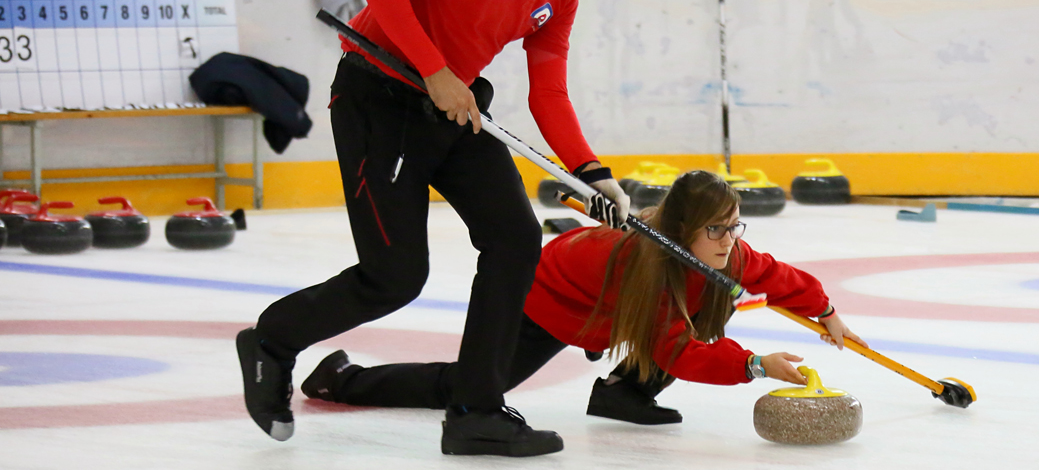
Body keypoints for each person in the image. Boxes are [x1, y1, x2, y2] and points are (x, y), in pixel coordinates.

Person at [236, 0, 649, 458]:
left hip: (454, 107)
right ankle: (272, 341)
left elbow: (550, 92)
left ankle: (475, 410)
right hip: (381, 99)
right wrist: (433, 69)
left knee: (514, 240)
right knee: (395, 277)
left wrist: (595, 175)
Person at [297, 170, 868, 428]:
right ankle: (340, 380)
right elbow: (677, 351)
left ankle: (623, 395)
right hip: (549, 298)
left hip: (611, 307)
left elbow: (780, 276)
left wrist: (826, 313)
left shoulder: (726, 255)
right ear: (684, 229)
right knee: (470, 387)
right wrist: (755, 365)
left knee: (712, 304)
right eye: (716, 230)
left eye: (735, 227)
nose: (729, 241)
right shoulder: (646, 266)